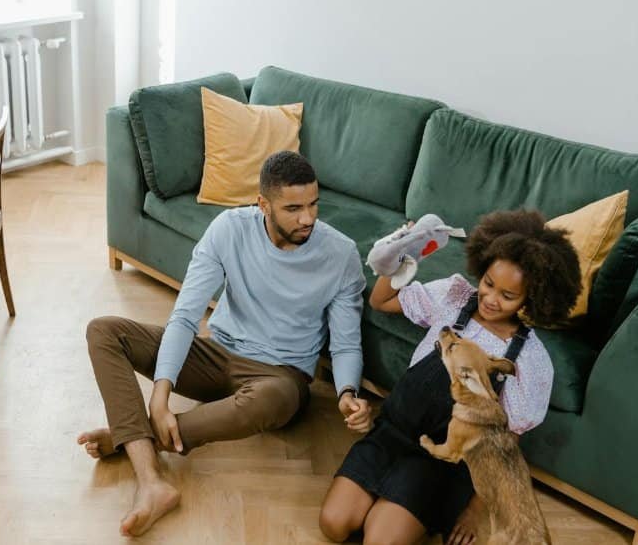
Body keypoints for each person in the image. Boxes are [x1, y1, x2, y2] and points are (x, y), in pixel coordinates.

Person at [79, 151, 372, 537]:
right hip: (217, 354)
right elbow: (186, 316)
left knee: (272, 398)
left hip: (280, 378)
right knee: (104, 331)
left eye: (313, 204)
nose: (308, 218)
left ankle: (130, 437)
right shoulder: (229, 230)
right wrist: (160, 397)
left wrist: (347, 393)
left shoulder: (340, 254)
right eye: (294, 208)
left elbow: (346, 343)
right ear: (263, 204)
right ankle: (151, 481)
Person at [318, 209, 581, 545]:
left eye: (507, 296)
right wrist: (403, 255)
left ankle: (421, 505)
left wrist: (472, 511)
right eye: (488, 283)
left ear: (531, 299)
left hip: (439, 464)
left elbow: (503, 448)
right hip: (390, 436)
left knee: (379, 541)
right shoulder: (452, 296)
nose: (490, 299)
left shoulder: (528, 359)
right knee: (334, 524)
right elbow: (381, 300)